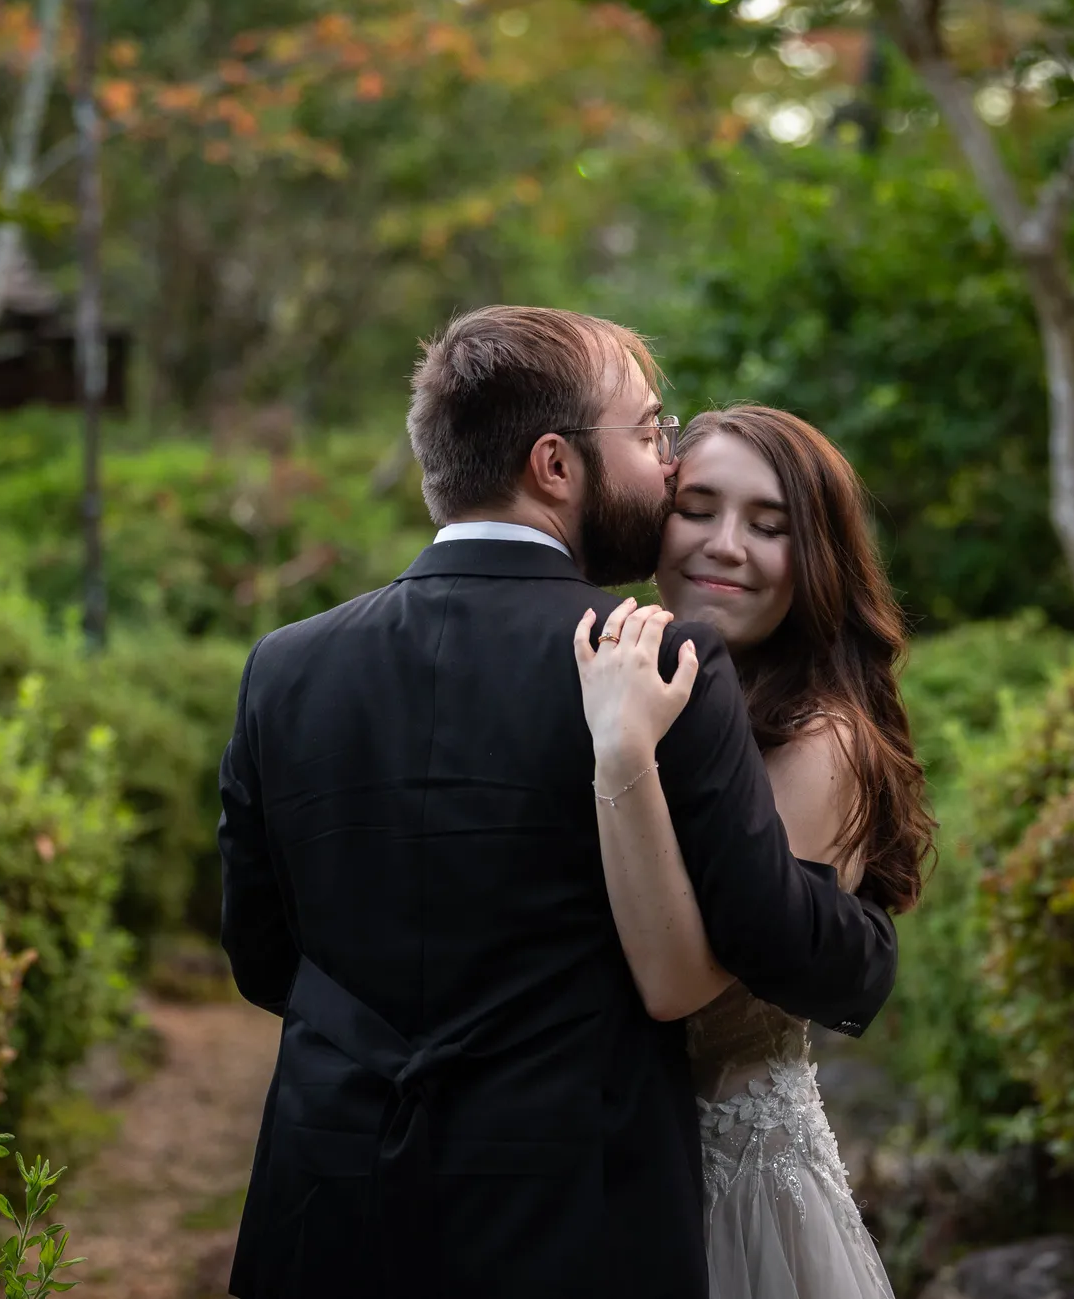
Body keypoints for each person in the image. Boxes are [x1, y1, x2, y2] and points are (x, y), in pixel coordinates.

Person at [218, 308, 898, 1299]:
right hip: (571, 1209)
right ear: (554, 464)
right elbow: (762, 933)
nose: (662, 464)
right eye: (648, 431)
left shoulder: (283, 665)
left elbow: (260, 954)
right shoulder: (660, 657)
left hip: (328, 1197)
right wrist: (868, 941)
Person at [573, 405, 936, 1299]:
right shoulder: (625, 667)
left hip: (728, 1189)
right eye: (697, 509)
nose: (725, 545)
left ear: (816, 557)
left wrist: (622, 752)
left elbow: (682, 985)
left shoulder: (823, 738)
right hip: (595, 1172)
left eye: (769, 526)